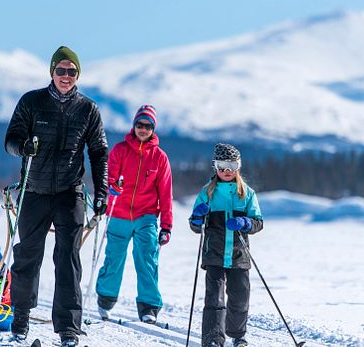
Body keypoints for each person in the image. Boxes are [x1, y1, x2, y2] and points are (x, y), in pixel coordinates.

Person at [4, 46, 109, 347]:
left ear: (78, 75)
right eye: (61, 70)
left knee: (68, 259)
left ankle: (68, 329)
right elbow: (10, 140)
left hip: (69, 193)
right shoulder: (32, 102)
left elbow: (99, 154)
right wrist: (23, 147)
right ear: (51, 71)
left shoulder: (88, 110)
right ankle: (20, 319)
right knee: (27, 256)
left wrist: (101, 192)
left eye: (71, 71)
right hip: (34, 191)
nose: (66, 76)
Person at [94, 104, 173, 323]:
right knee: (114, 258)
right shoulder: (120, 150)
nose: (143, 129)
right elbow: (109, 177)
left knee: (146, 258)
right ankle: (106, 299)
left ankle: (149, 307)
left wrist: (166, 226)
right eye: (140, 124)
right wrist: (112, 188)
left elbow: (166, 194)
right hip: (118, 213)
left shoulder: (160, 158)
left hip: (146, 216)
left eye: (148, 126)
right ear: (134, 125)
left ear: (153, 129)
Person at [189, 143, 263, 347]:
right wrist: (197, 218)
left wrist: (246, 222)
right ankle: (213, 339)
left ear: (238, 166)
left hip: (239, 255)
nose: (226, 170)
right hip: (214, 254)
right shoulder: (207, 193)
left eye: (231, 164)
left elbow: (258, 222)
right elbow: (195, 226)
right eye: (221, 165)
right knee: (214, 299)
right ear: (215, 167)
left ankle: (238, 336)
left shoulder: (247, 194)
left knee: (239, 297)